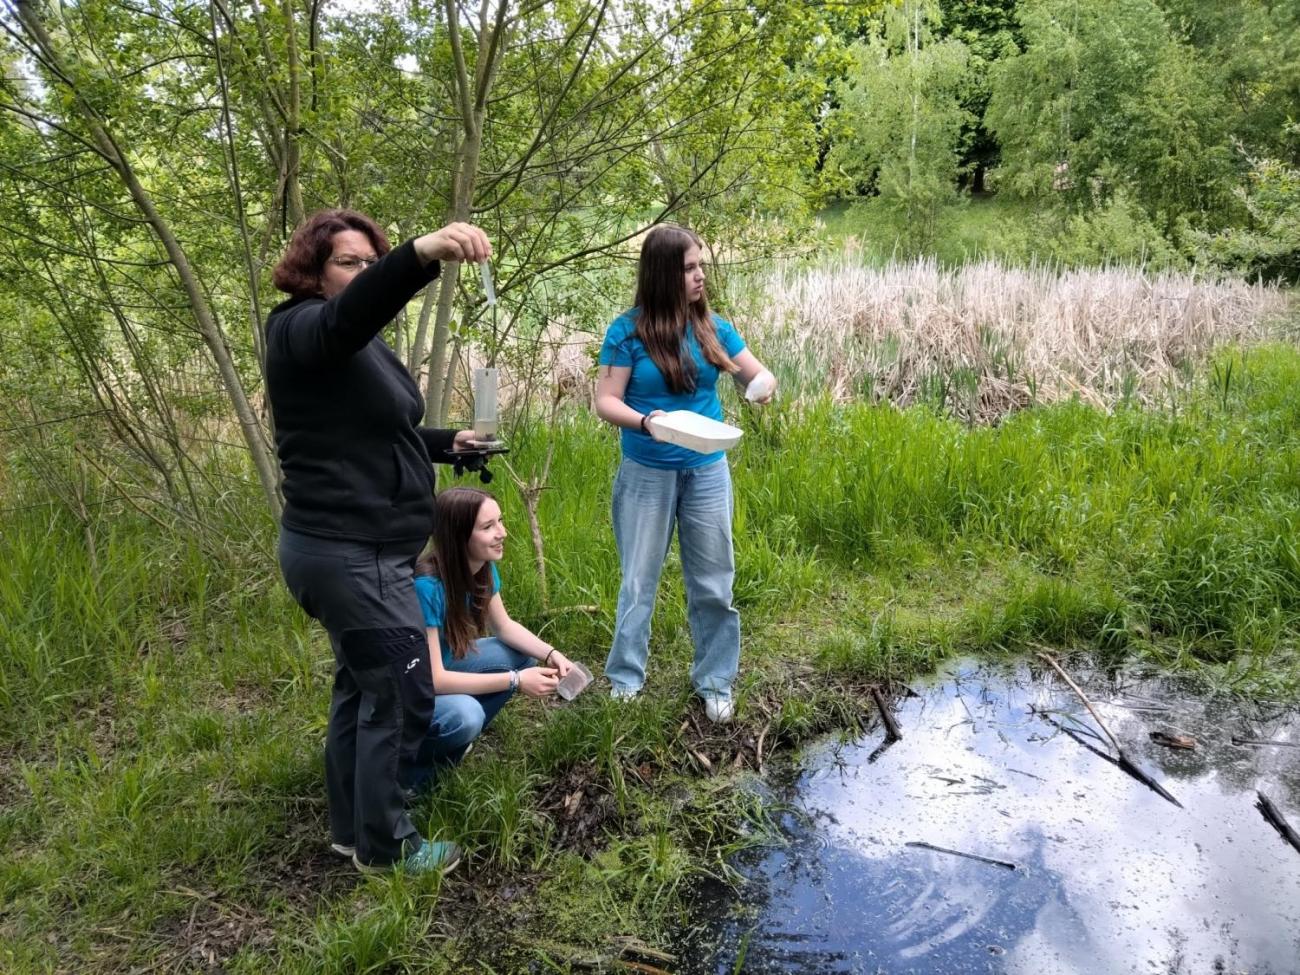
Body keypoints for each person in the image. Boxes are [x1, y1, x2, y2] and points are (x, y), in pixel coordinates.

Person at [265, 209, 491, 876]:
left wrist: (448, 444)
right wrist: (421, 252)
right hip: (347, 553)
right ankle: (389, 849)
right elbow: (347, 318)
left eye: (371, 261)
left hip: (362, 551)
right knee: (401, 690)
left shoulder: (356, 349)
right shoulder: (302, 329)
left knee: (361, 688)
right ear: (313, 271)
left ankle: (351, 829)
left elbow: (376, 436)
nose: (362, 273)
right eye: (349, 262)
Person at [594, 223, 776, 724]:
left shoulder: (714, 327)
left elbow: (757, 374)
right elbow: (605, 402)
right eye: (689, 268)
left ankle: (716, 681)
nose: (700, 277)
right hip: (646, 472)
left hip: (707, 470)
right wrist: (646, 421)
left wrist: (761, 385)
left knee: (714, 581)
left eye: (701, 266)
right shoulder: (626, 331)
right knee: (638, 581)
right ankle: (625, 680)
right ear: (662, 275)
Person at [404, 486, 572, 795]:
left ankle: (455, 745)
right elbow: (434, 680)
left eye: (500, 521)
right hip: (411, 696)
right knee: (466, 716)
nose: (502, 532)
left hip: (445, 666)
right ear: (458, 536)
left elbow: (505, 627)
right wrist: (514, 681)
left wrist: (552, 654)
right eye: (487, 527)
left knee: (521, 654)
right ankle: (414, 777)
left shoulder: (481, 567)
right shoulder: (426, 587)